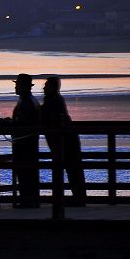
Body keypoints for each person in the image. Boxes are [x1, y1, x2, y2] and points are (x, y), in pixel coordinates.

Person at [41, 76, 87, 206]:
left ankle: (78, 199)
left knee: (72, 170)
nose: (43, 88)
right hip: (65, 140)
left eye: (46, 85)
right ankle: (79, 199)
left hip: (65, 141)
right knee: (73, 170)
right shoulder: (54, 100)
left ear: (53, 87)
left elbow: (42, 117)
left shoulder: (53, 101)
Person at [11, 73, 41, 208]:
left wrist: (10, 125)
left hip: (24, 143)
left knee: (24, 172)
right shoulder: (29, 100)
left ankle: (27, 201)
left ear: (23, 86)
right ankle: (30, 200)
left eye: (17, 85)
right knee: (28, 172)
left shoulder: (27, 102)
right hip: (28, 142)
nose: (15, 87)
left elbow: (24, 123)